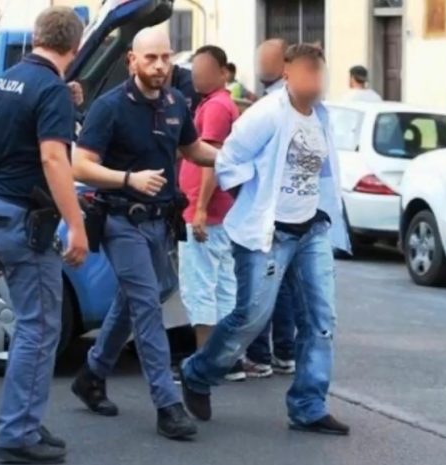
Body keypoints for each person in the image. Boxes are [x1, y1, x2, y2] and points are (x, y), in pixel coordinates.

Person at [180, 43, 351, 436]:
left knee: (321, 320)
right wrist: (252, 198)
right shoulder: (267, 114)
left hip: (311, 229)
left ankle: (308, 406)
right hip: (268, 232)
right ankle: (198, 373)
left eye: (319, 73)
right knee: (250, 318)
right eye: (306, 72)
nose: (315, 81)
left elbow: (325, 173)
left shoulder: (321, 116)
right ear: (288, 74)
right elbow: (228, 159)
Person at [70, 27, 218, 440]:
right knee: (148, 308)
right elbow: (80, 165)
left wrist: (235, 157)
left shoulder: (175, 103)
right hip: (121, 221)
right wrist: (128, 179)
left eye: (165, 57)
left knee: (144, 295)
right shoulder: (109, 107)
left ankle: (92, 373)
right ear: (131, 61)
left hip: (160, 222)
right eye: (150, 58)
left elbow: (193, 150)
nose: (159, 66)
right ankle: (167, 405)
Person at [0, 7, 88, 464]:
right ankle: (18, 434)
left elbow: (20, 131)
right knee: (39, 329)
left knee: (32, 324)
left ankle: (23, 418)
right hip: (24, 219)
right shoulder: (50, 89)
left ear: (36, 37)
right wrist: (76, 224)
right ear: (75, 46)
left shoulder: (7, 80)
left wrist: (65, 99)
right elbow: (52, 159)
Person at [178, 45, 244, 382]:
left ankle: (206, 363)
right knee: (222, 287)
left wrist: (201, 209)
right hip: (219, 212)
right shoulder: (216, 103)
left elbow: (212, 162)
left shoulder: (217, 106)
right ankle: (227, 360)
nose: (197, 76)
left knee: (201, 286)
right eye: (195, 69)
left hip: (206, 213)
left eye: (204, 70)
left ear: (223, 73)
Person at [243, 37, 298, 378]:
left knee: (263, 281)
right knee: (283, 282)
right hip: (288, 208)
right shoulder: (288, 100)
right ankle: (285, 352)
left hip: (273, 206)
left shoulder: (278, 104)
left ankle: (260, 355)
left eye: (266, 60)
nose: (260, 66)